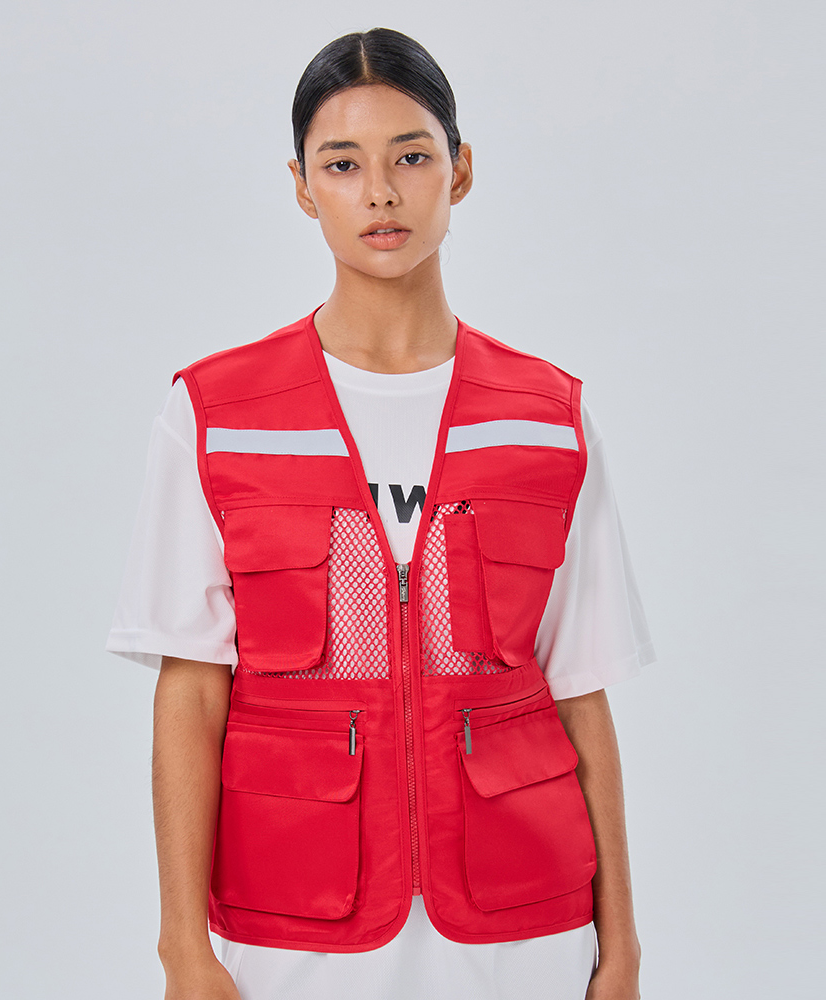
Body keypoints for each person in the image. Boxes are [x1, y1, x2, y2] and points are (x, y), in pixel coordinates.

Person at [107, 26, 655, 1000]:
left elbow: (579, 693)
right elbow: (191, 692)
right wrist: (182, 949)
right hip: (295, 927)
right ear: (301, 186)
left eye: (410, 156)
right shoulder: (216, 414)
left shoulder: (548, 419)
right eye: (342, 164)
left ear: (460, 170)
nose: (381, 193)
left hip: (524, 928)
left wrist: (622, 951)